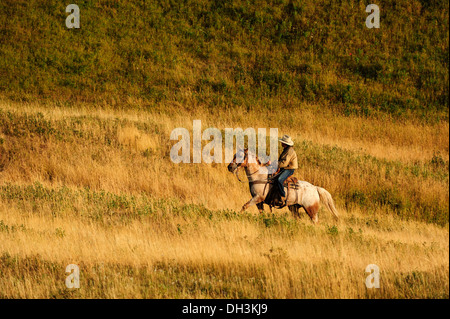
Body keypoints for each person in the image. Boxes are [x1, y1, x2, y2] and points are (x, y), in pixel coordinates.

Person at [274, 135, 298, 206]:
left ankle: (283, 196)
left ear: (285, 143)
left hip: (289, 169)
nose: (281, 143)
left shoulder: (289, 151)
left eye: (282, 142)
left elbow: (284, 163)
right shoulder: (286, 149)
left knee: (279, 180)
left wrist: (275, 164)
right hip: (285, 168)